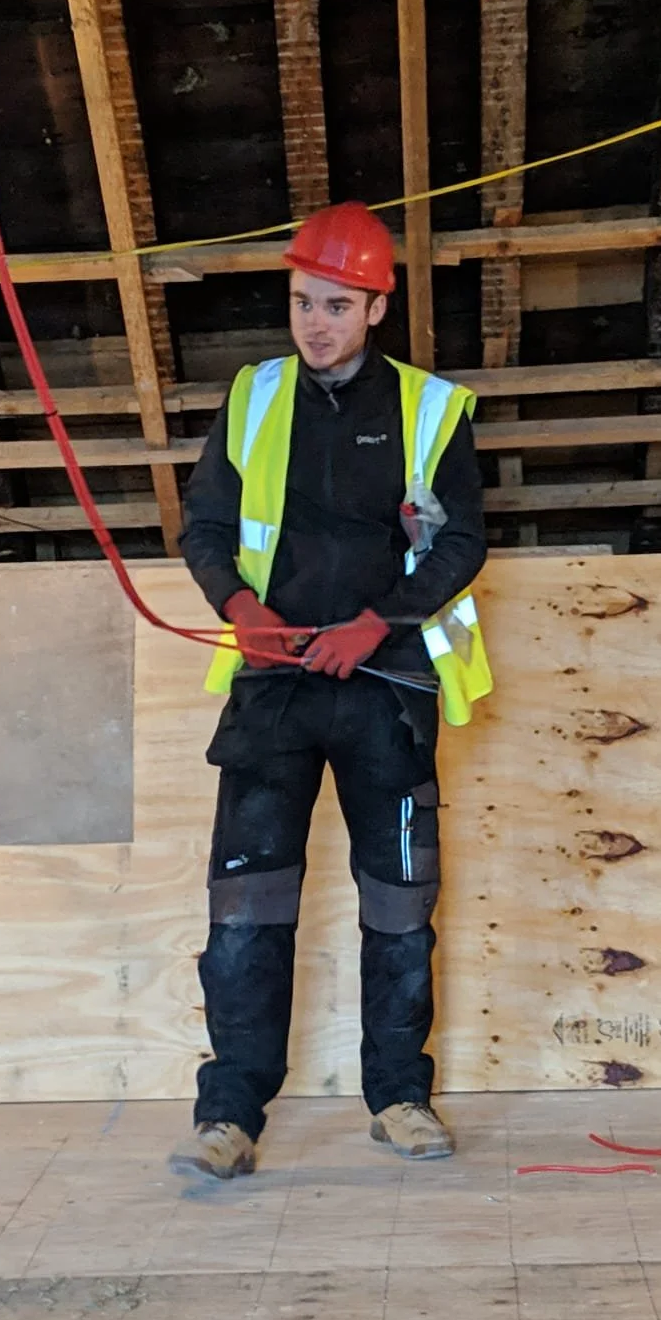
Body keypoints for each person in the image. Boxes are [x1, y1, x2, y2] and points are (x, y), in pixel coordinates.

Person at [170, 200, 493, 1181]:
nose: (316, 322)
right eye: (304, 301)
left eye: (338, 305)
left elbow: (465, 542)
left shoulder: (430, 410)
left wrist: (380, 621)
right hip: (272, 694)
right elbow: (206, 530)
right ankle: (229, 1118)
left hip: (386, 693)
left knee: (400, 907)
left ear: (377, 306)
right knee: (245, 911)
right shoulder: (255, 396)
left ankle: (400, 1098)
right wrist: (238, 605)